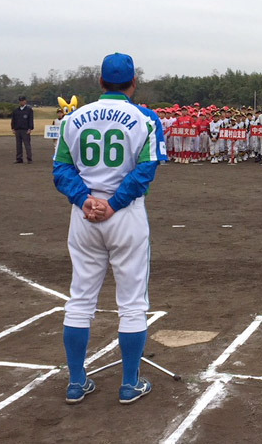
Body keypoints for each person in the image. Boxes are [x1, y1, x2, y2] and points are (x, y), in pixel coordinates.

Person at [53, 52, 167, 405]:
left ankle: (76, 382)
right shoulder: (146, 118)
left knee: (81, 298)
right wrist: (114, 204)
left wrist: (85, 199)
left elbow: (61, 170)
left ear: (100, 82)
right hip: (125, 214)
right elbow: (146, 171)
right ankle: (129, 383)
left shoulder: (74, 118)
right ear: (134, 83)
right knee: (132, 303)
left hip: (84, 215)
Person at [11, 95, 35, 163]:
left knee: (27, 144)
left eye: (22, 101)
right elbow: (13, 120)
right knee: (18, 145)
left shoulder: (29, 110)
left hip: (25, 129)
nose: (21, 102)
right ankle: (19, 158)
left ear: (25, 101)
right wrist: (13, 128)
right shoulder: (16, 110)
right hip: (17, 129)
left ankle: (29, 158)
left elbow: (31, 119)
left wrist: (30, 128)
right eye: (20, 101)